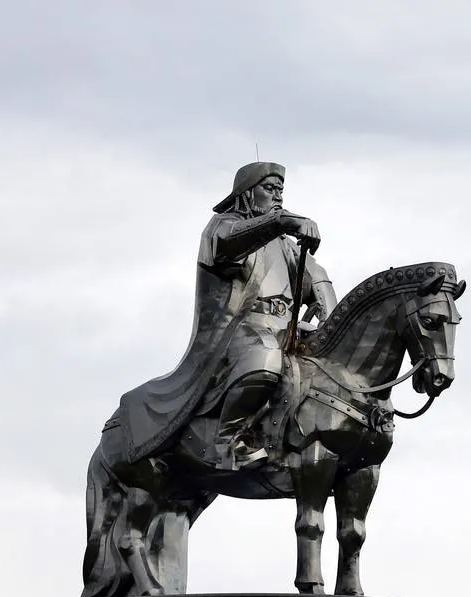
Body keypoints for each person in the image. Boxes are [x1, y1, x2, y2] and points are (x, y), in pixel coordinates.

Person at [118, 162, 336, 470]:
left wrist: (330, 327)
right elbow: (230, 245)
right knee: (265, 360)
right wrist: (281, 222)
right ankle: (227, 441)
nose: (277, 196)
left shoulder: (285, 246)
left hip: (285, 331)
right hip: (240, 333)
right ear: (247, 194)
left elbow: (316, 278)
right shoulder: (222, 227)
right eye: (269, 189)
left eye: (280, 191)